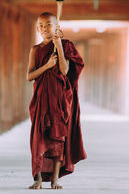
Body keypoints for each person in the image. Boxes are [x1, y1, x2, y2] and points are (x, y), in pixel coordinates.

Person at [26, 12, 87, 189]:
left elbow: (65, 71)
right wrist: (46, 66)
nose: (45, 29)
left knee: (58, 138)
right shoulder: (35, 50)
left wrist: (59, 46)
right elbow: (29, 76)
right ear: (37, 28)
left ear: (57, 27)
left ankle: (55, 179)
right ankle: (37, 178)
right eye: (41, 25)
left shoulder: (65, 45)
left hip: (60, 98)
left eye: (48, 25)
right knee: (39, 138)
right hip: (41, 98)